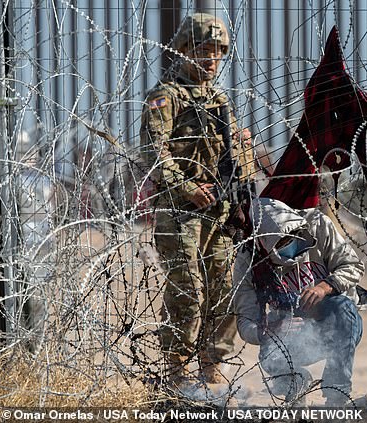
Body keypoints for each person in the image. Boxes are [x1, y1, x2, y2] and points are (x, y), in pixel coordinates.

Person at [139, 13, 254, 400]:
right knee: (188, 290)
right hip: (180, 211)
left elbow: (237, 159)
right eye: (204, 51)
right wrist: (187, 188)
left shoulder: (218, 100)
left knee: (224, 290)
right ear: (185, 50)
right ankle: (177, 369)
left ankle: (212, 365)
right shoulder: (165, 97)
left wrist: (245, 151)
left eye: (218, 54)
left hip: (217, 212)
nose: (211, 61)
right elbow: (153, 154)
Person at [232, 197, 365, 406]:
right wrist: (268, 330)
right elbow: (245, 322)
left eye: (293, 236)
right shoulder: (248, 261)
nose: (291, 244)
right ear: (265, 246)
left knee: (345, 310)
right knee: (269, 355)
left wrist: (325, 287)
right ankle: (296, 382)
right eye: (282, 243)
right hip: (290, 333)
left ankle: (337, 394)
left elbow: (353, 265)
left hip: (333, 324)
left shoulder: (317, 224)